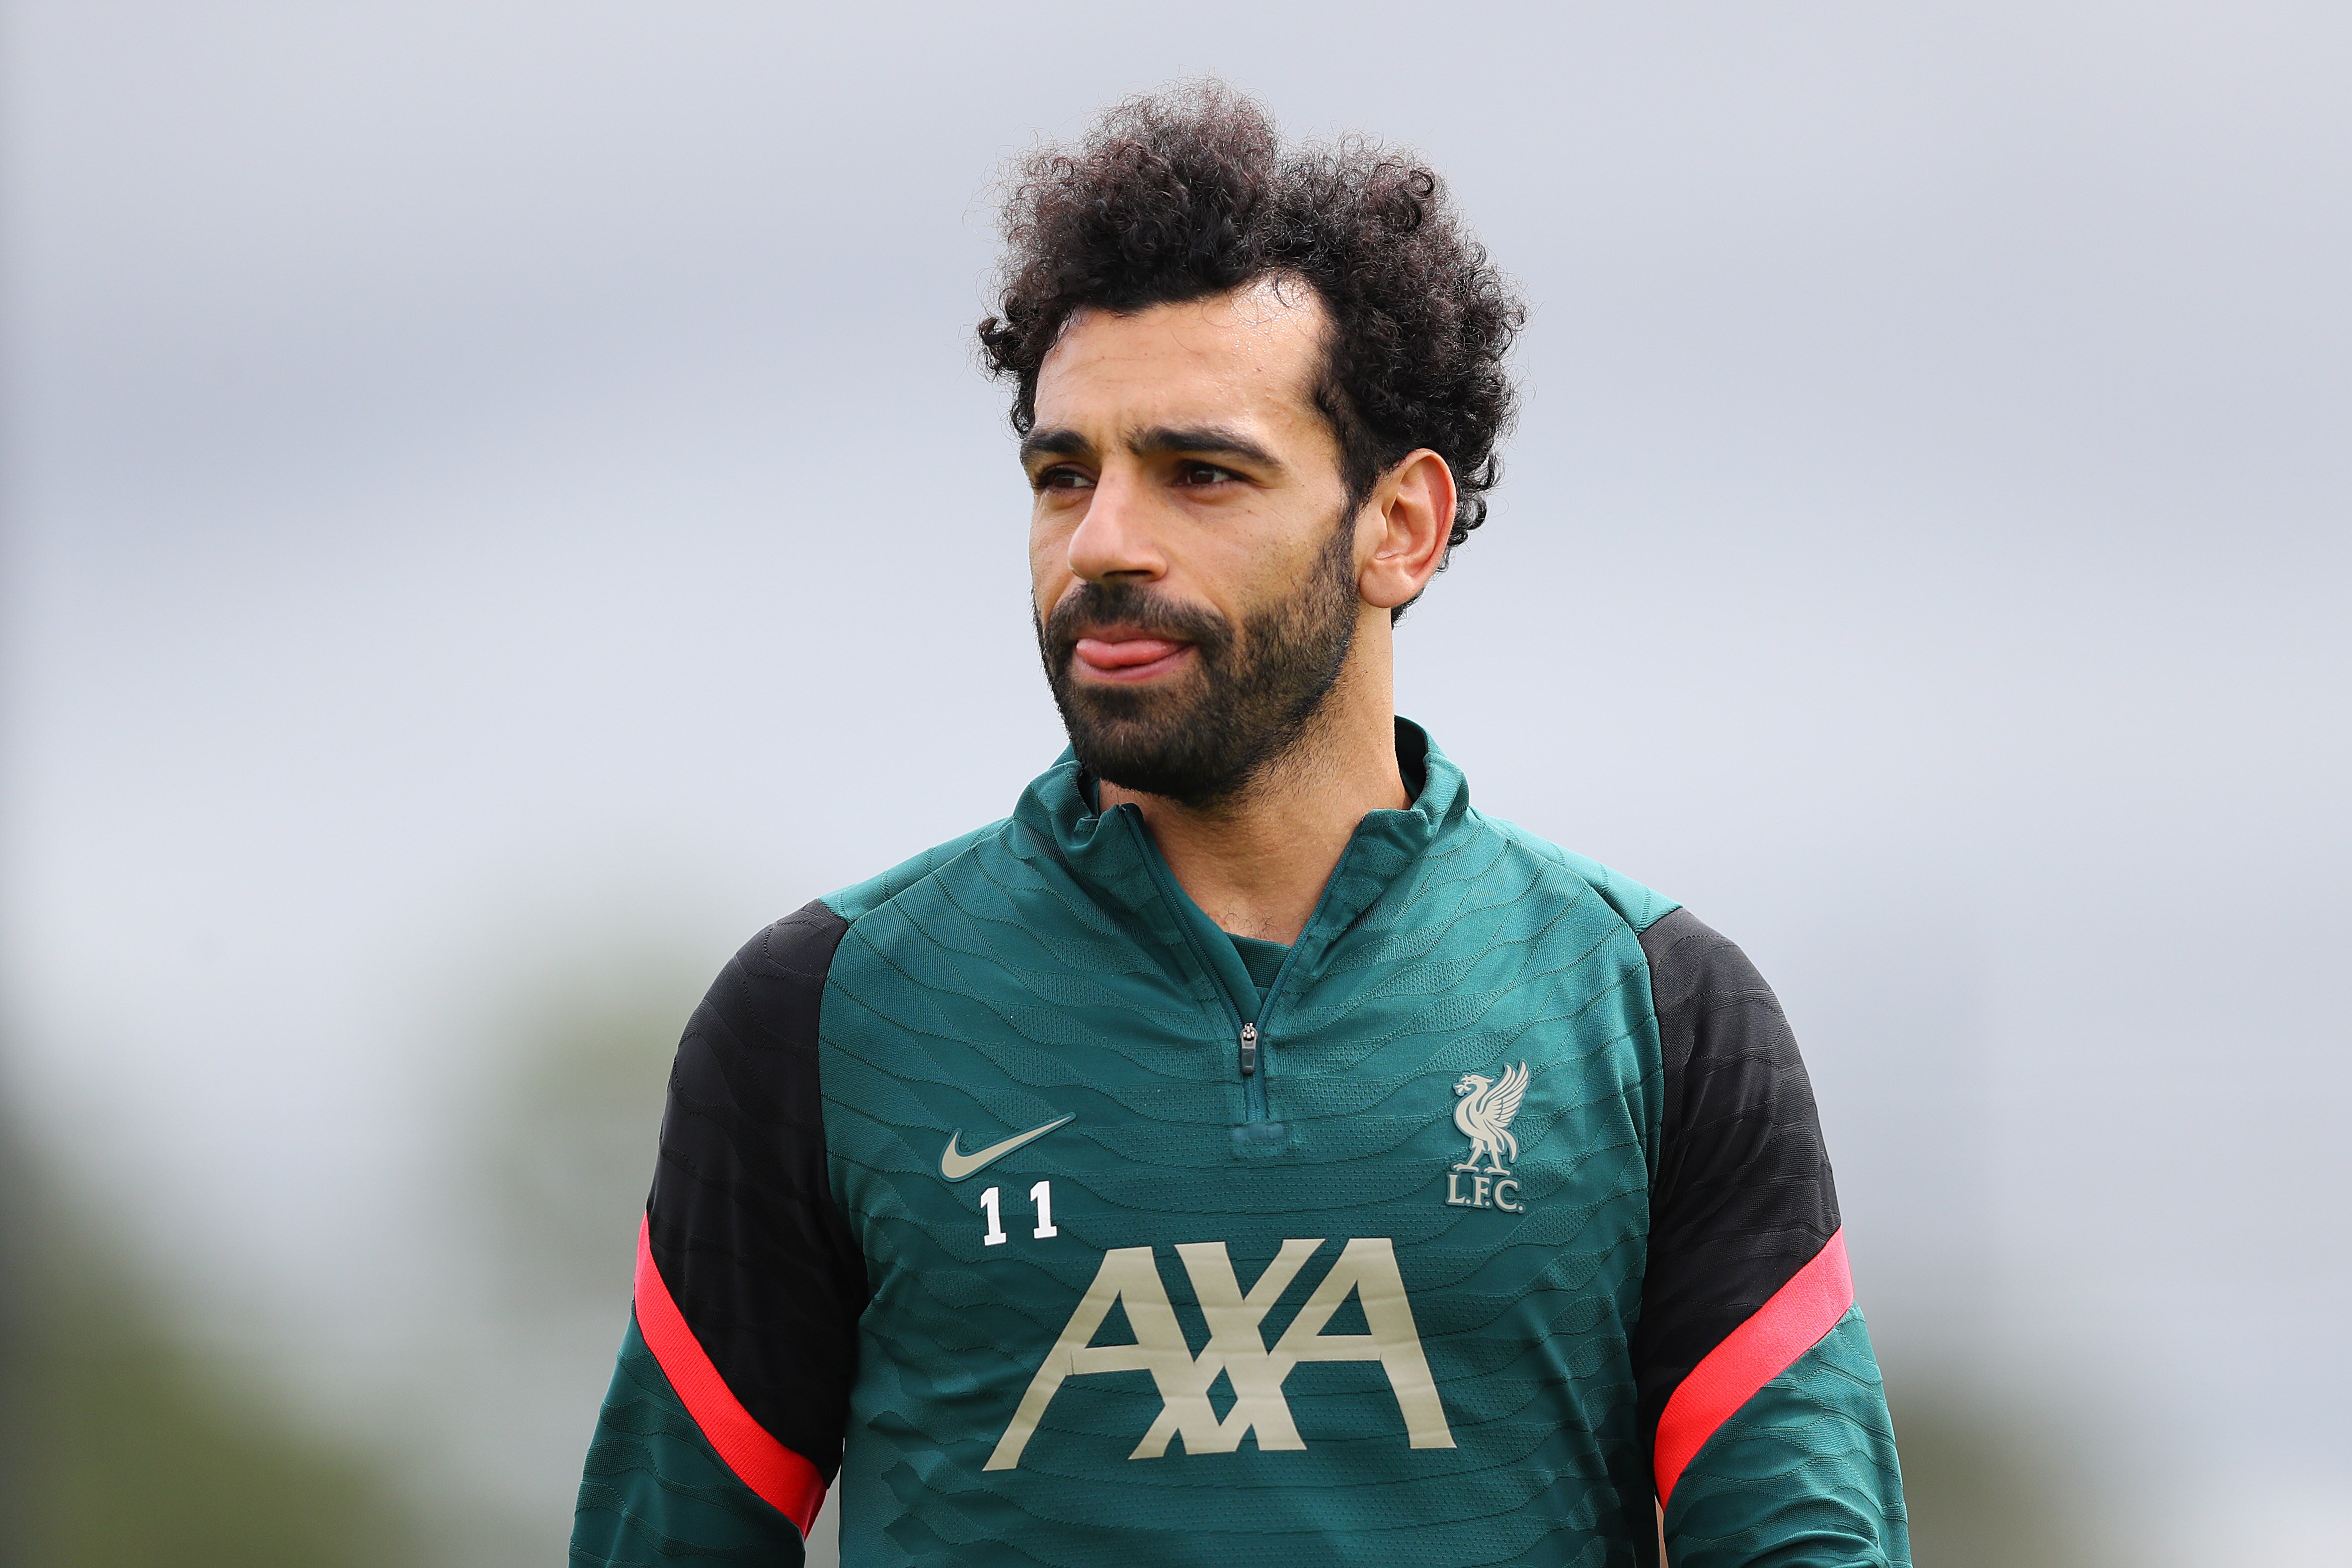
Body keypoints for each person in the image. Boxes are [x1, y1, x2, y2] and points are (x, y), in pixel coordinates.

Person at [572, 83, 1908, 1568]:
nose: (1105, 543)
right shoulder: (825, 1014)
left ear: (1397, 526)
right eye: (1063, 475)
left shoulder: (1653, 1011)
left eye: (1201, 474)